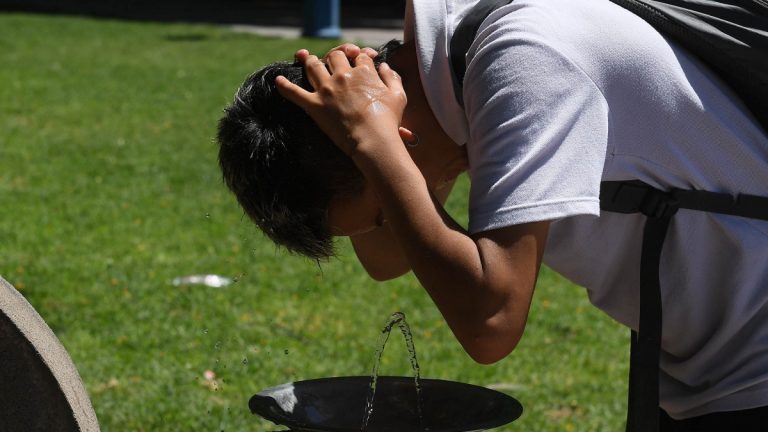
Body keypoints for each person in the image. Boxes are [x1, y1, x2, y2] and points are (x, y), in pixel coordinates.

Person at [217, 0, 768, 428]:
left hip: (751, 364)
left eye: (381, 209)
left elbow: (491, 323)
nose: (392, 211)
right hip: (711, 365)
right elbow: (386, 260)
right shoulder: (453, 58)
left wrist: (377, 148)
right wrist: (379, 150)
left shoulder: (525, 60)